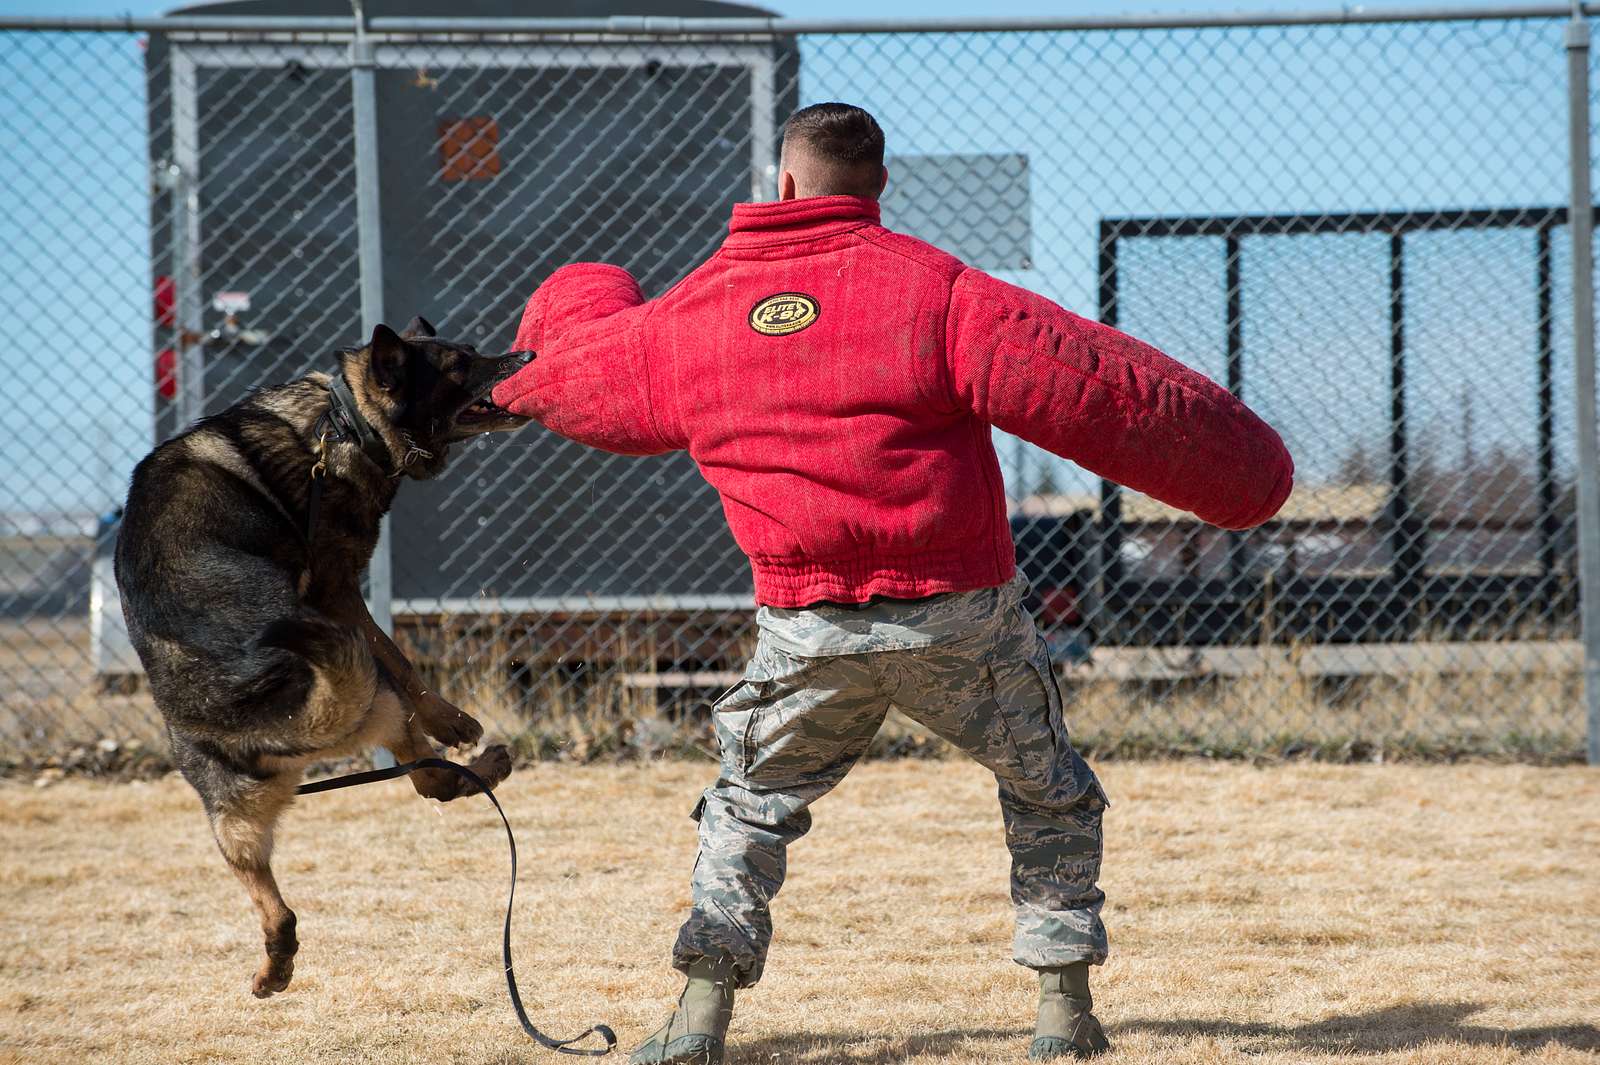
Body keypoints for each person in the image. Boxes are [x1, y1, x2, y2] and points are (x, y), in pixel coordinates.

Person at [491, 102, 1293, 1064]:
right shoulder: (936, 291)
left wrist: (559, 314)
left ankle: (697, 1021)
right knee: (1047, 793)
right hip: (959, 615)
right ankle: (1061, 1015)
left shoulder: (691, 316)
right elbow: (1099, 388)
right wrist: (1251, 478)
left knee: (748, 806)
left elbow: (572, 374)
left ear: (783, 181)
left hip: (803, 619)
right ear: (877, 187)